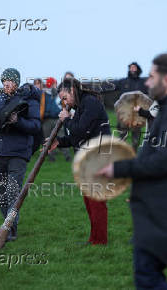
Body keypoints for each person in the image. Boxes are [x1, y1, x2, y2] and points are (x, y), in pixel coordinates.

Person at [97, 53, 167, 289]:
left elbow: (163, 162)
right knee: (147, 276)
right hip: (158, 211)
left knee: (148, 278)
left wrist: (119, 168)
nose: (147, 82)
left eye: (152, 76)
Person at [47, 77, 111, 245]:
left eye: (64, 97)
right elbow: (75, 136)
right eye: (61, 99)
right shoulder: (79, 107)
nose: (63, 102)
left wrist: (66, 118)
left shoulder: (90, 103)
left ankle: (100, 240)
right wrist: (59, 142)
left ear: (73, 91)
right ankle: (95, 239)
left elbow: (80, 130)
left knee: (96, 201)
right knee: (89, 201)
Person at [0, 68, 41, 241]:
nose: (6, 84)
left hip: (18, 153)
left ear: (17, 82)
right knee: (1, 194)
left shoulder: (28, 100)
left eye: (10, 81)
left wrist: (18, 121)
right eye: (4, 81)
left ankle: (10, 229)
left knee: (12, 193)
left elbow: (36, 126)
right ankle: (7, 225)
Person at [113, 62, 148, 151]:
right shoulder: (123, 82)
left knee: (136, 137)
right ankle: (122, 152)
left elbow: (147, 97)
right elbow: (111, 87)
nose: (132, 69)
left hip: (138, 113)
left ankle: (133, 152)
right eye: (130, 68)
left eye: (134, 67)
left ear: (138, 69)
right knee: (122, 135)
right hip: (124, 113)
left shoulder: (143, 83)